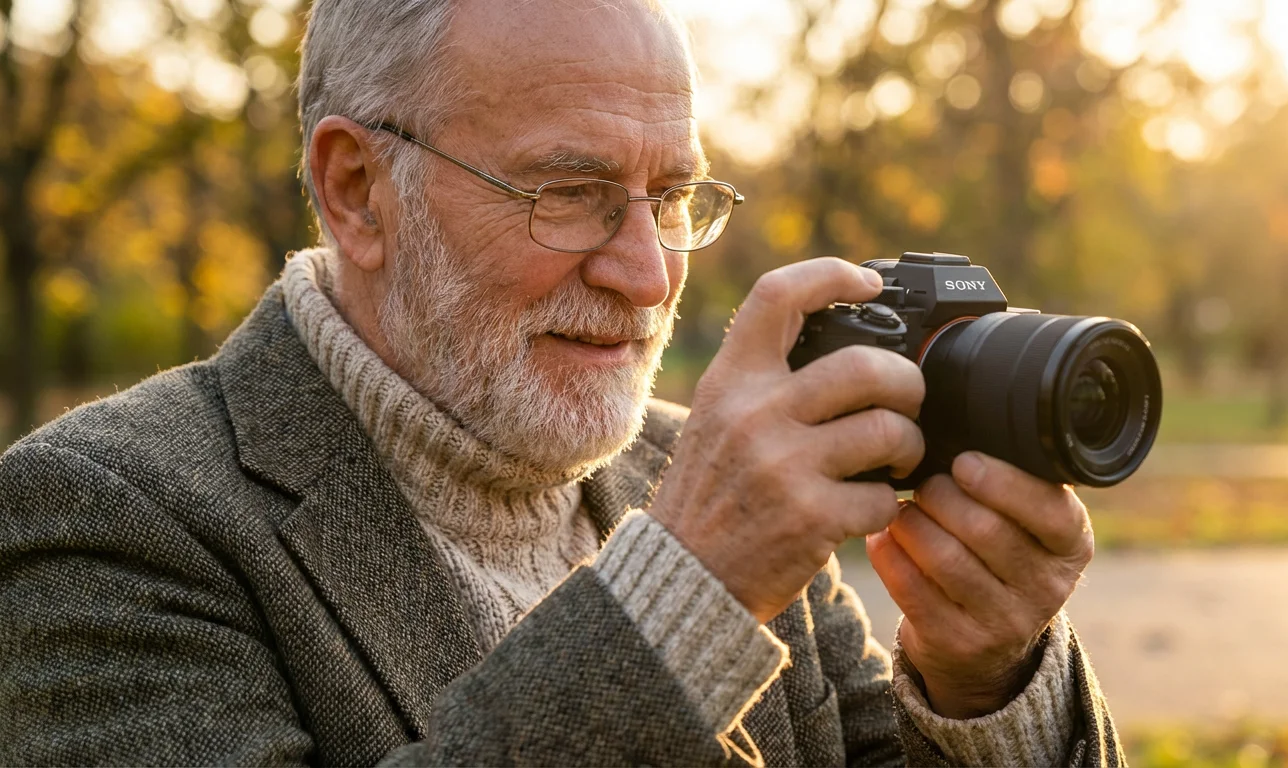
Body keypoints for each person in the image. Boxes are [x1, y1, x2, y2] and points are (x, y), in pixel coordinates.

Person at [0, 0, 1122, 765]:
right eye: (569, 191)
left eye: (671, 194)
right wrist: (682, 596)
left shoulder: (692, 479)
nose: (645, 274)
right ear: (355, 190)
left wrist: (983, 689)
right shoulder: (103, 519)